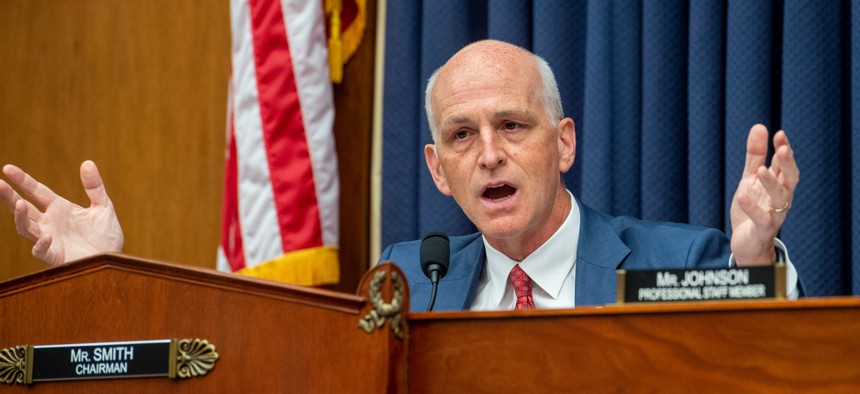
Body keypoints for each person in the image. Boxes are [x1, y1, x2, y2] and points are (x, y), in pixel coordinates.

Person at [1, 40, 800, 312]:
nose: (488, 152)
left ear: (563, 144)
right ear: (438, 170)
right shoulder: (406, 283)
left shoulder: (679, 262)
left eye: (511, 127)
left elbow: (760, 363)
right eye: (461, 135)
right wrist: (112, 274)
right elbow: (271, 353)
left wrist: (755, 260)